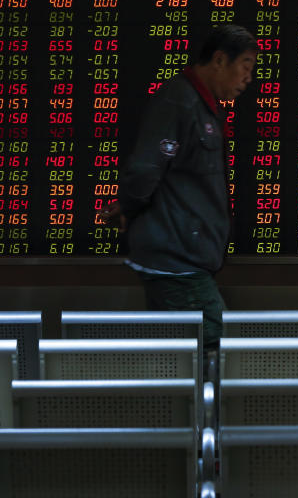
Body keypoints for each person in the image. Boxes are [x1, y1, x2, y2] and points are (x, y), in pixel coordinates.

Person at [99, 25, 257, 349]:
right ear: (219, 60)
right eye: (245, 66)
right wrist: (128, 207)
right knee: (218, 350)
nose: (248, 78)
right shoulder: (180, 103)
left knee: (184, 357)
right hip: (177, 261)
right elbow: (148, 167)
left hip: (183, 258)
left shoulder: (200, 106)